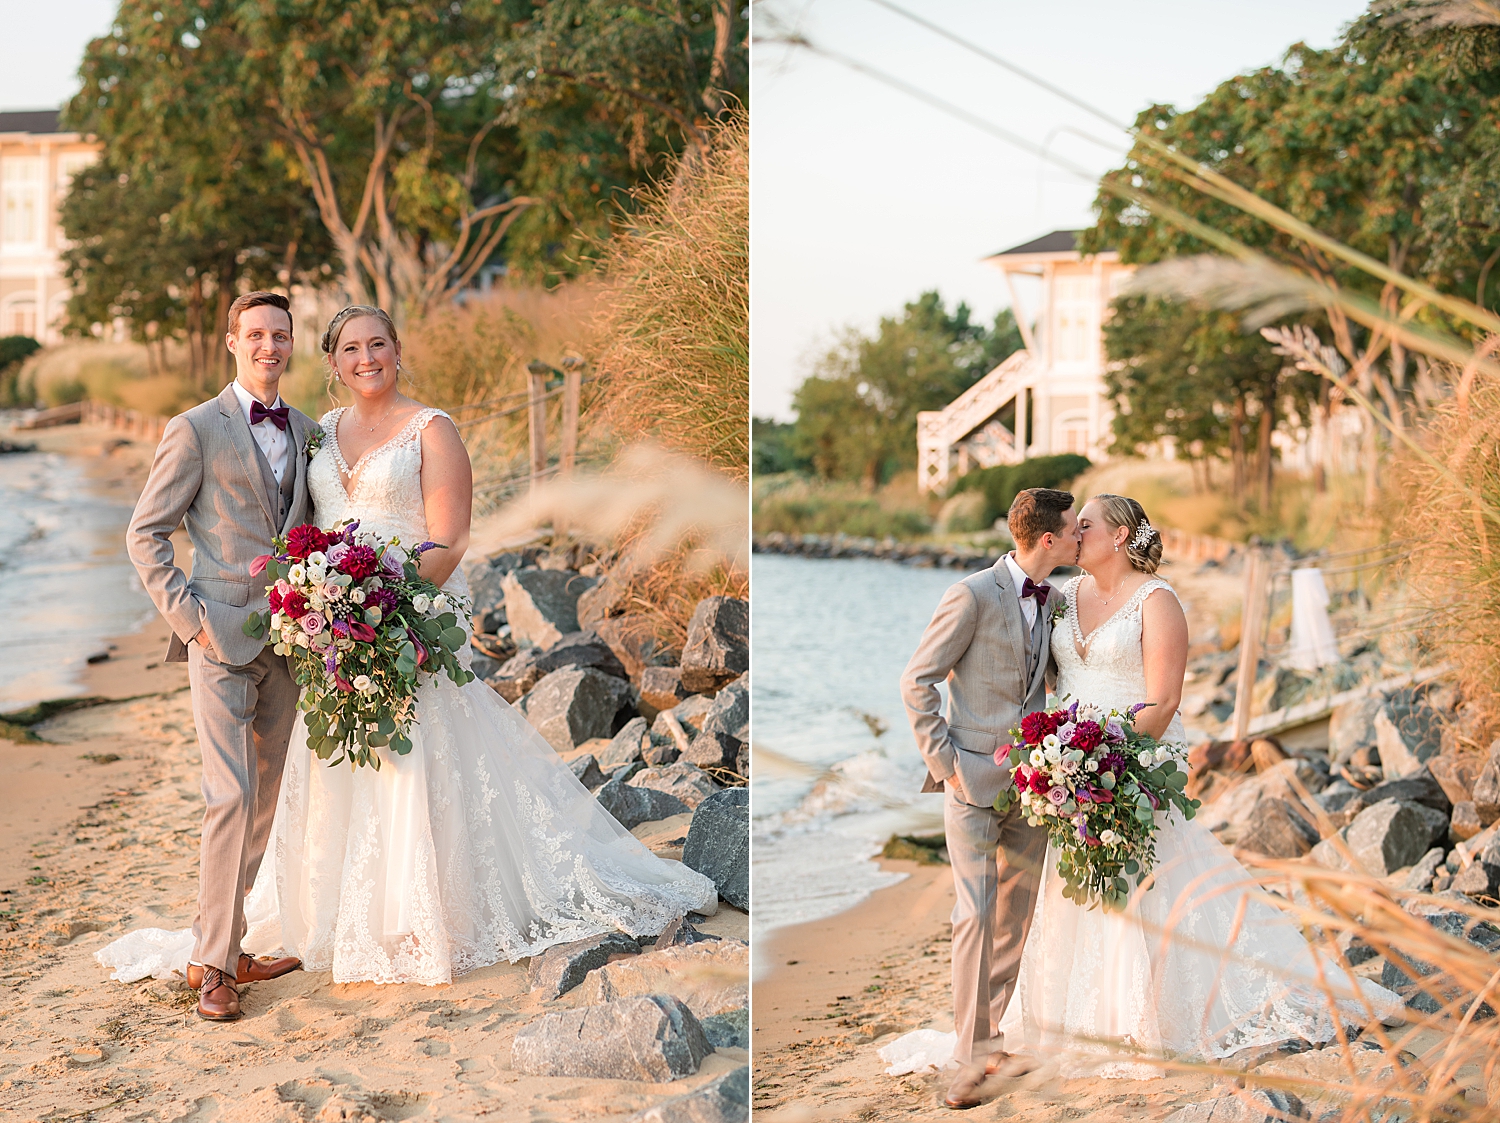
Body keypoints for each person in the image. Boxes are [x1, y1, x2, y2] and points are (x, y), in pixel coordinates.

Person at [236, 305, 717, 985]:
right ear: (333, 361)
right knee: (340, 759)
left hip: (410, 616)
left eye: (378, 343)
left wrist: (387, 608)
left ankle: (418, 917)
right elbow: (310, 526)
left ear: (398, 352)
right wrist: (325, 608)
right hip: (333, 629)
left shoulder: (432, 430)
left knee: (414, 756)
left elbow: (451, 537)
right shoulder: (322, 434)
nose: (366, 357)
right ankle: (332, 914)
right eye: (350, 347)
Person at [890, 493, 1401, 1101]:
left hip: (1120, 765)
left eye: (1089, 526)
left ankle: (1136, 1025)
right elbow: (990, 675)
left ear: (1122, 534)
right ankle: (989, 1043)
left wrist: (1106, 759)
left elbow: (1160, 699)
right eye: (1073, 527)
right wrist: (988, 762)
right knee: (1021, 906)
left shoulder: (1150, 602)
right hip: (1046, 775)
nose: (1079, 534)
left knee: (1114, 897)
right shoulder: (1052, 597)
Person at [124, 292, 311, 1020]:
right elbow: (147, 532)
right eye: (255, 333)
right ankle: (210, 965)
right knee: (229, 795)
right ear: (232, 340)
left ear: (291, 344)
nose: (268, 345)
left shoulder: (307, 430)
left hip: (291, 641)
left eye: (279, 334)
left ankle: (232, 945)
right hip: (218, 637)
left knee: (264, 800)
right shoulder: (195, 427)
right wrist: (191, 619)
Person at [898, 487, 1083, 1109]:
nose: (1081, 536)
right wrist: (945, 763)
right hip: (971, 783)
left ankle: (990, 1035)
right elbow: (917, 680)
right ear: (1048, 539)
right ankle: (968, 1056)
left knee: (1014, 916)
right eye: (1073, 529)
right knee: (974, 915)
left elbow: (1057, 681)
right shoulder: (972, 595)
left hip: (1034, 787)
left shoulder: (1056, 600)